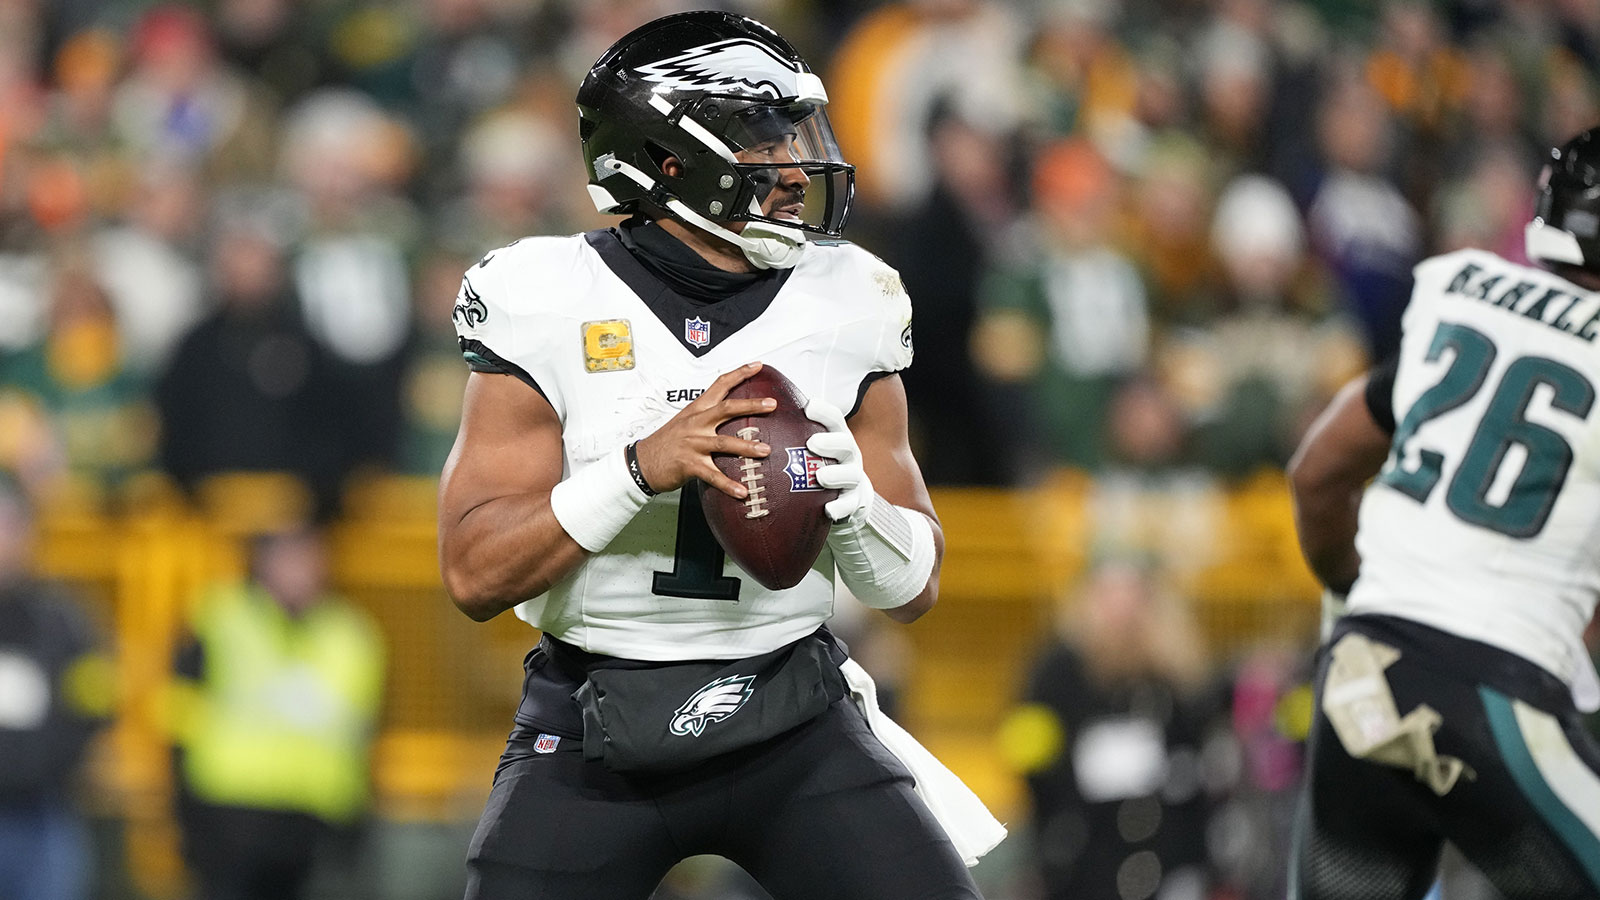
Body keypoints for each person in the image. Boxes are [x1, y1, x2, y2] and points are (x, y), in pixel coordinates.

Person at [436, 12, 1002, 899]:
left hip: (793, 711)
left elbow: (912, 593)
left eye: (795, 132)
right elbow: (473, 574)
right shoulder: (544, 296)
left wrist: (857, 513)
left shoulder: (849, 296)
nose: (792, 165)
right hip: (593, 721)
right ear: (668, 160)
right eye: (761, 137)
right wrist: (635, 472)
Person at [1286, 126, 1600, 900]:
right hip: (1500, 689)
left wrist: (1358, 591)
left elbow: (1319, 474)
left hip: (1362, 671)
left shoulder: (1460, 293)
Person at [170, 525, 385, 900]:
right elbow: (177, 715)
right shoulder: (218, 619)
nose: (301, 572)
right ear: (262, 564)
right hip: (230, 818)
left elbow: (366, 734)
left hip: (314, 824)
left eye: (309, 559)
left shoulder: (351, 634)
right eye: (290, 559)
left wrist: (357, 830)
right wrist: (185, 817)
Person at [0, 474, 112, 900]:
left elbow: (94, 703)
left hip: (42, 813)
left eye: (9, 525)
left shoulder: (63, 619)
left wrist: (48, 766)